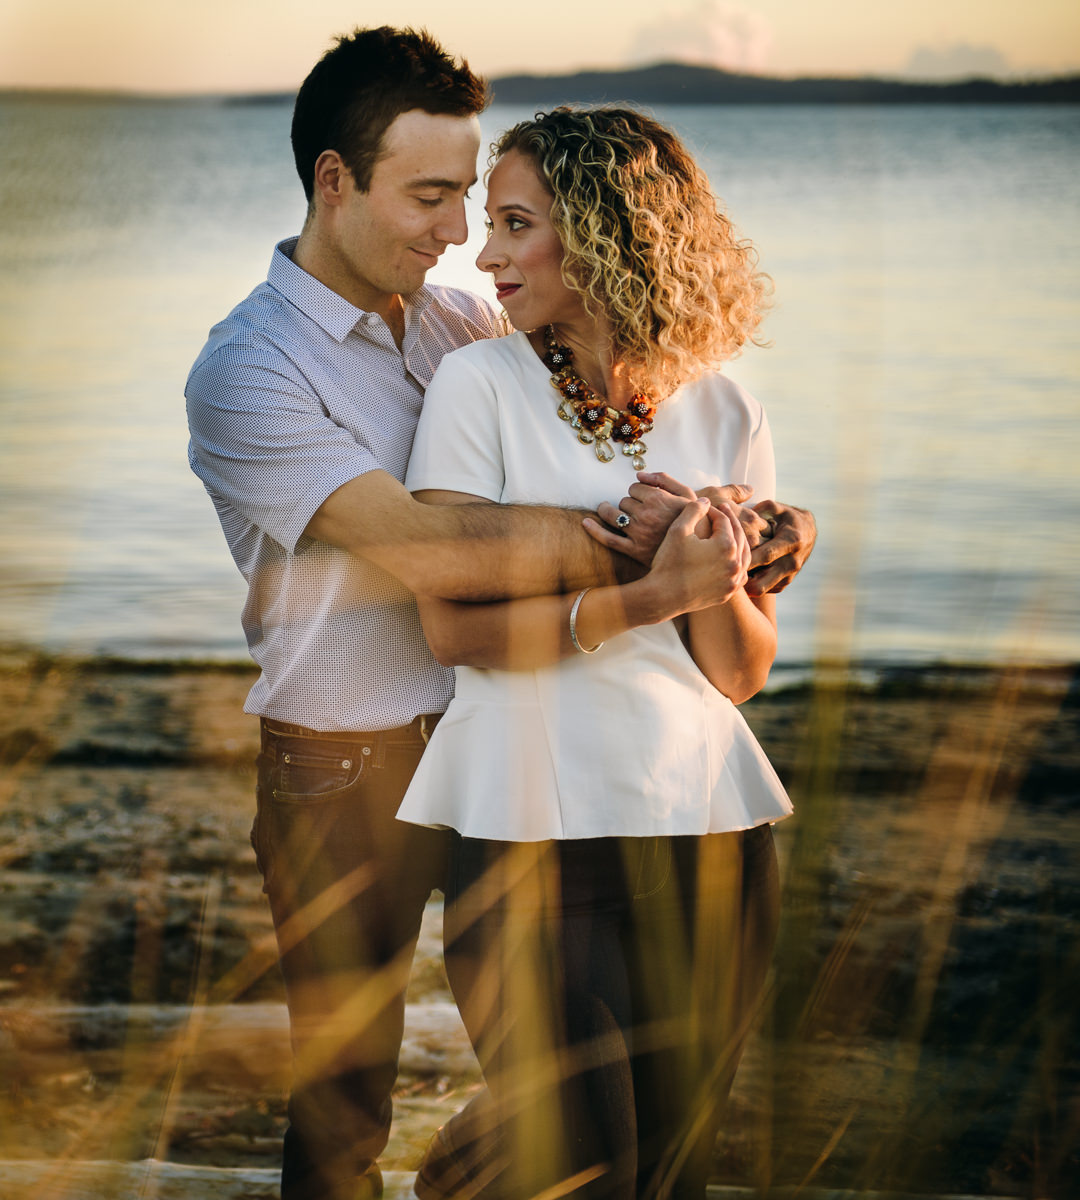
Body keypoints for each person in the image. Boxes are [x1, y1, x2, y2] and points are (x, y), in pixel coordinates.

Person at [184, 28, 816, 1200]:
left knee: (574, 1103)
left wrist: (763, 531)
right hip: (349, 761)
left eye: (472, 201)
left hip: (507, 746)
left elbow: (602, 405)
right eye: (429, 198)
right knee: (343, 1093)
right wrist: (666, 547)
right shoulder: (250, 370)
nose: (457, 237)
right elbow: (433, 548)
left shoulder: (461, 325)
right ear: (335, 181)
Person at [399, 106, 794, 1200]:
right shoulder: (478, 388)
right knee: (584, 1165)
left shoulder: (725, 410)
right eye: (488, 223)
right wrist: (646, 593)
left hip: (710, 837)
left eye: (515, 223)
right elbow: (452, 631)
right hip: (529, 836)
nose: (485, 254)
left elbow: (741, 670)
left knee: (674, 1168)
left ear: (607, 235)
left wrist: (697, 565)